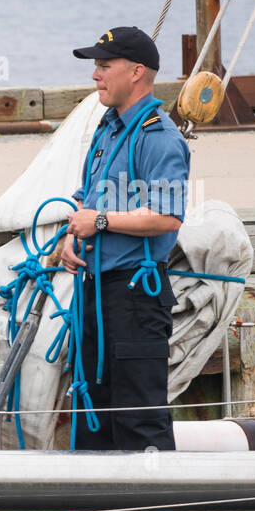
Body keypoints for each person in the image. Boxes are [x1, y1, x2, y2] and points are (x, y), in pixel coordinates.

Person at [60, 25, 190, 451]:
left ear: (136, 72)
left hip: (136, 294)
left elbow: (167, 217)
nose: (95, 76)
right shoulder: (108, 129)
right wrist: (70, 236)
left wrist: (98, 223)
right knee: (91, 411)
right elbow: (87, 198)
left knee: (138, 414)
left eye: (103, 66)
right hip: (94, 291)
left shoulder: (159, 137)